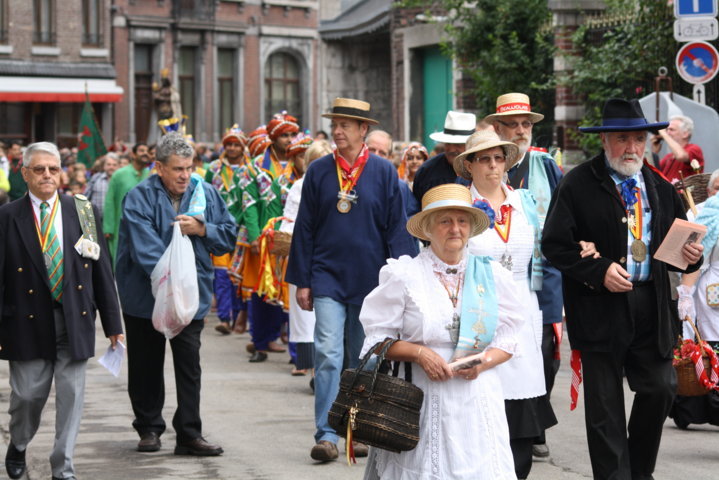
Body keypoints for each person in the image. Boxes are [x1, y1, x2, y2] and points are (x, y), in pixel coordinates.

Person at [542, 98, 704, 480]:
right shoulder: (578, 183)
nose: (631, 147)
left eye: (638, 139)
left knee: (661, 388)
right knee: (604, 407)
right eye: (621, 139)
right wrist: (598, 271)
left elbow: (679, 251)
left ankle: (638, 472)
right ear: (604, 141)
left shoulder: (660, 186)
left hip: (651, 304)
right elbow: (555, 244)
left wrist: (692, 257)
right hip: (598, 305)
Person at [285, 97, 418, 462]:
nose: (338, 131)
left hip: (371, 281)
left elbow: (396, 227)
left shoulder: (384, 172)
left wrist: (403, 279)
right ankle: (327, 433)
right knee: (328, 353)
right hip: (326, 276)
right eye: (335, 124)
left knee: (364, 358)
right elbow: (304, 228)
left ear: (363, 130)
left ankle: (354, 430)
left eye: (345, 125)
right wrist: (303, 281)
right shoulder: (318, 171)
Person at [360, 183, 522, 480]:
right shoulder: (404, 274)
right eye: (445, 221)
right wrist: (419, 353)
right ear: (428, 229)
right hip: (421, 399)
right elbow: (375, 340)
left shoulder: (491, 274)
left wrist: (481, 362)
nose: (455, 229)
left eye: (462, 221)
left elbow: (509, 337)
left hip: (477, 399)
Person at [0, 141, 123, 480]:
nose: (47, 175)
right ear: (24, 173)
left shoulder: (82, 210)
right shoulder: (7, 216)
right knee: (27, 395)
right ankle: (19, 443)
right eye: (39, 169)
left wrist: (113, 324)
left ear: (61, 173)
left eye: (53, 169)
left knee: (71, 396)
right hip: (25, 320)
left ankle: (63, 467)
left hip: (73, 317)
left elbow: (102, 270)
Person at [115, 132, 237, 456]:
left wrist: (202, 229)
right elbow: (146, 251)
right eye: (177, 169)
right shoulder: (138, 197)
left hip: (191, 297)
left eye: (189, 167)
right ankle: (149, 428)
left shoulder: (205, 193)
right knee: (145, 364)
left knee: (189, 366)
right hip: (145, 297)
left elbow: (228, 235)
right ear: (159, 168)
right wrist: (173, 284)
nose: (185, 175)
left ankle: (189, 434)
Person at [454, 130, 556, 479]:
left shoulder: (524, 202)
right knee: (478, 408)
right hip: (477, 311)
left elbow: (547, 251)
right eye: (484, 159)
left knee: (521, 416)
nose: (493, 166)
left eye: (499, 158)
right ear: (469, 165)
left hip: (522, 309)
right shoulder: (460, 206)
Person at [487, 92, 564, 458]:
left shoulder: (545, 165)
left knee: (546, 353)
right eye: (513, 124)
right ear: (498, 129)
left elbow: (565, 211)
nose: (521, 130)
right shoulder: (487, 165)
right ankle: (505, 425)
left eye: (525, 124)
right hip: (495, 278)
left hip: (543, 275)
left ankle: (534, 425)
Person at [242, 113, 299, 362]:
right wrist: (255, 236)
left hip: (293, 236)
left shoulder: (299, 163)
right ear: (273, 138)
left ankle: (291, 345)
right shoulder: (255, 167)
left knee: (290, 289)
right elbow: (249, 204)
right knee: (262, 289)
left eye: (292, 135)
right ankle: (260, 342)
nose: (289, 139)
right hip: (265, 238)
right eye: (284, 135)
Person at [279, 139, 333, 378]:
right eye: (315, 163)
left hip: (329, 256)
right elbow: (289, 221)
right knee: (303, 313)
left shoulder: (338, 185)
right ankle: (306, 363)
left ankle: (322, 372)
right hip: (304, 253)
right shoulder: (299, 187)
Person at [672, 168, 719, 429]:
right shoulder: (705, 211)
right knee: (707, 343)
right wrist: (686, 293)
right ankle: (699, 405)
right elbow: (692, 258)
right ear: (709, 190)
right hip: (711, 289)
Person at [205, 125, 250, 336]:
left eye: (236, 145)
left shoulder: (251, 169)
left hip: (242, 228)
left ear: (243, 147)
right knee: (221, 274)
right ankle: (224, 318)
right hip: (219, 227)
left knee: (237, 275)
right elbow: (204, 194)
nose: (232, 148)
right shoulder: (214, 168)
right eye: (228, 144)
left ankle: (238, 316)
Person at [412, 111, 475, 204]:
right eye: (448, 143)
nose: (451, 149)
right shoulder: (427, 171)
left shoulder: (482, 168)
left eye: (458, 144)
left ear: (470, 144)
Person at [103, 143, 151, 264]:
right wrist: (108, 228)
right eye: (141, 150)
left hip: (145, 227)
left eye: (147, 151)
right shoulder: (119, 174)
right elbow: (110, 201)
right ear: (133, 154)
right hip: (121, 226)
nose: (145, 153)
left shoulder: (150, 175)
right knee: (121, 260)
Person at [367, 129, 419, 217]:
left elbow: (411, 218)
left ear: (390, 158)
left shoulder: (400, 188)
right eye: (371, 150)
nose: (376, 155)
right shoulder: (349, 182)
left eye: (382, 153)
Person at [652, 114, 704, 182]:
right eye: (667, 130)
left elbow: (681, 156)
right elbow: (652, 173)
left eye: (671, 130)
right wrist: (654, 152)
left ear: (685, 134)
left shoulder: (694, 149)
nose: (667, 132)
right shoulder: (669, 157)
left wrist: (664, 134)